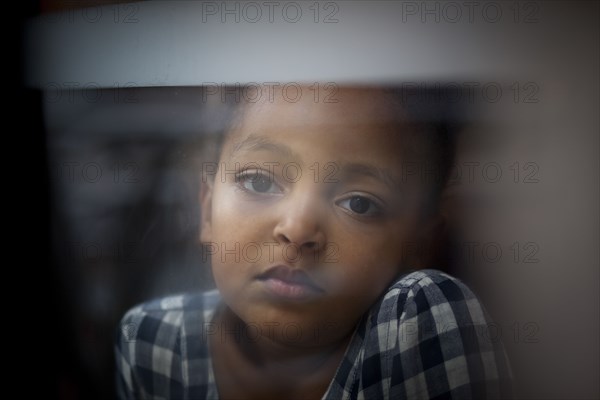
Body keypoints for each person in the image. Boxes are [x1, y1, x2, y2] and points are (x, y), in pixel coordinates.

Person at [115, 86, 512, 399]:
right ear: (206, 211)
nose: (298, 228)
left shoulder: (416, 321)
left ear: (418, 245)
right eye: (258, 181)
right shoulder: (153, 339)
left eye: (359, 204)